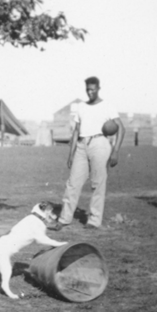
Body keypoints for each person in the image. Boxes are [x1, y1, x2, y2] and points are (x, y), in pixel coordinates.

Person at [53, 76, 125, 231]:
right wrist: (71, 154)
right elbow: (76, 131)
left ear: (98, 89)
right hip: (81, 145)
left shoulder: (107, 106)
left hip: (100, 144)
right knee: (73, 183)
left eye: (93, 89)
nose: (90, 92)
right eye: (88, 90)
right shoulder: (81, 107)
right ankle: (64, 219)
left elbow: (121, 129)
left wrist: (116, 151)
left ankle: (94, 220)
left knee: (98, 183)